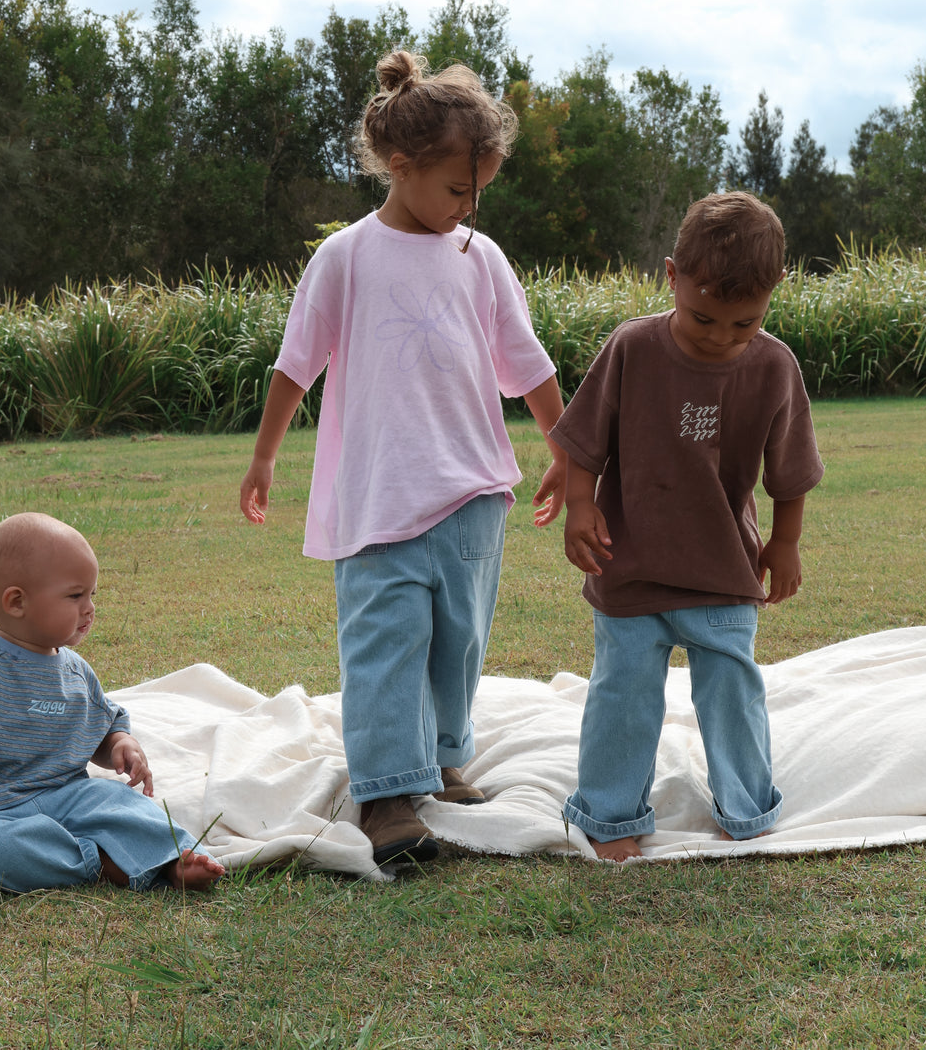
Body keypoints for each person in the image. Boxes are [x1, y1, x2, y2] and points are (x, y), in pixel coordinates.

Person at [239, 49, 566, 867]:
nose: (470, 208)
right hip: (380, 498)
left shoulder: (481, 259)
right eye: (458, 189)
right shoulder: (346, 257)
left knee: (458, 643)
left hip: (474, 495)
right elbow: (295, 364)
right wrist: (265, 457)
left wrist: (565, 451)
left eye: (479, 192)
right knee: (385, 642)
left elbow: (527, 364)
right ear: (400, 165)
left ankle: (442, 758)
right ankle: (388, 795)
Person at [553, 191, 824, 862]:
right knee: (622, 696)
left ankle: (747, 810)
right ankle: (610, 818)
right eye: (704, 317)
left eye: (744, 322)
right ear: (672, 277)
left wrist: (785, 541)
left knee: (733, 693)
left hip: (723, 571)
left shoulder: (774, 366)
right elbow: (584, 442)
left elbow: (790, 471)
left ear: (774, 290)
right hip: (629, 567)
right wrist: (581, 506)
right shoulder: (632, 348)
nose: (722, 337)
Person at [0, 512, 224, 893]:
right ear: (17, 602)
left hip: (65, 797)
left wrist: (120, 744)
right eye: (75, 596)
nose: (90, 608)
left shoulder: (75, 671)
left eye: (92, 595)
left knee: (116, 800)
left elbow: (103, 727)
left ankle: (175, 855)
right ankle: (103, 861)